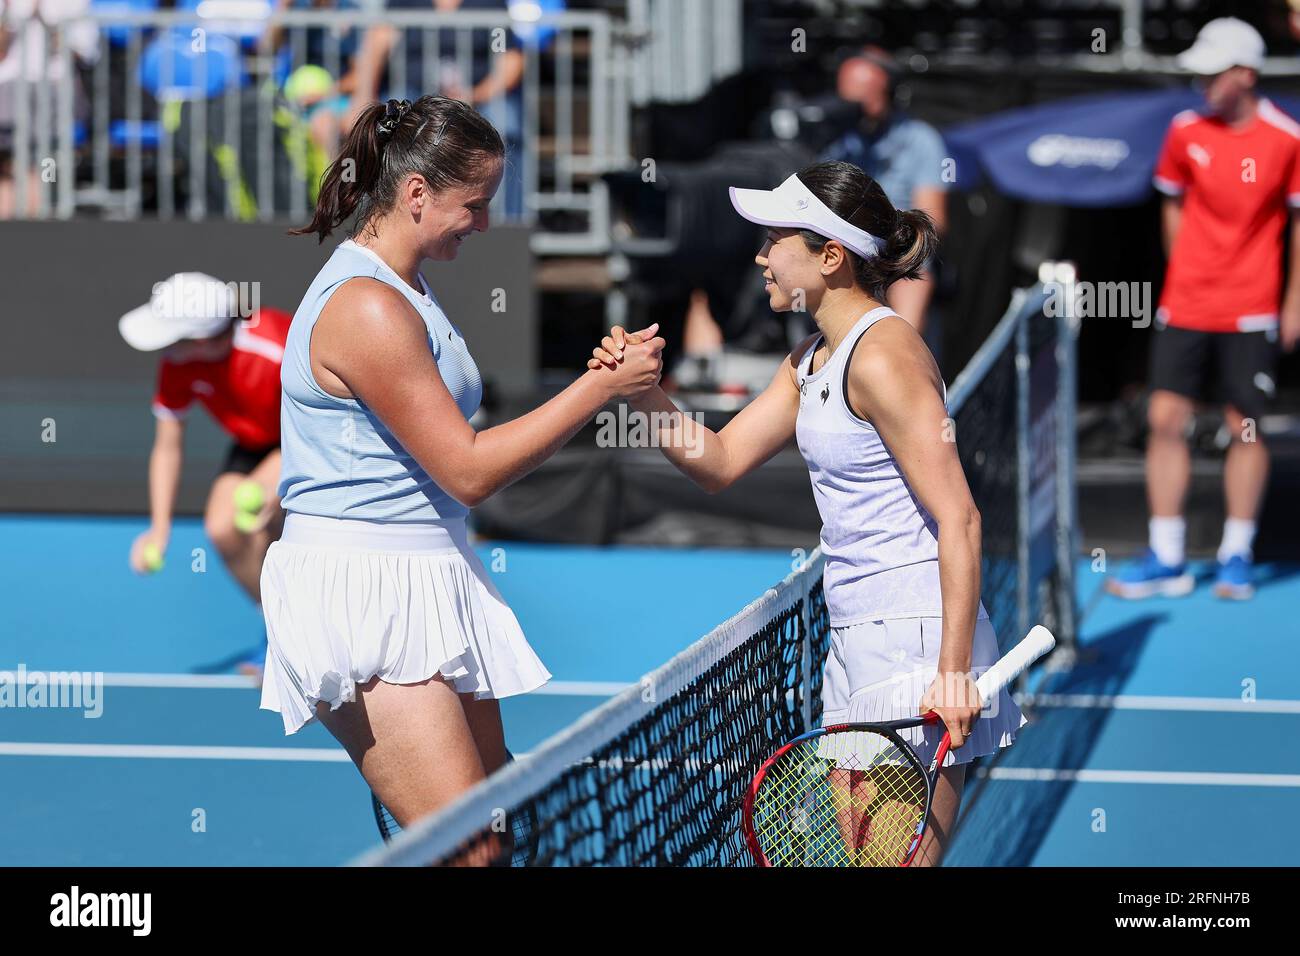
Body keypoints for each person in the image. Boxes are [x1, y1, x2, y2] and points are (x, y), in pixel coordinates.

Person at [588, 161, 1024, 866]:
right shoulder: (809, 360)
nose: (760, 256)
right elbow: (721, 461)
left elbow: (960, 519)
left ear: (829, 256)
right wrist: (642, 398)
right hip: (856, 636)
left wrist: (950, 670)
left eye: (775, 240)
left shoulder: (884, 359)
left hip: (913, 642)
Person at [265, 96, 662, 832]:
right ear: (417, 194)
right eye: (474, 205)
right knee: (469, 845)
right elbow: (470, 470)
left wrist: (596, 380)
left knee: (496, 826)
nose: (482, 224)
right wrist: (601, 389)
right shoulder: (368, 308)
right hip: (365, 594)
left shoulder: (406, 288)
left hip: (430, 571)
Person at [1107, 18, 1300, 602]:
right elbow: (1173, 206)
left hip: (1253, 309)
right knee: (1166, 421)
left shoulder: (1286, 138)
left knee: (1245, 426)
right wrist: (1184, 272)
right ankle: (1168, 557)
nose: (1202, 81)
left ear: (1244, 75)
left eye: (1213, 72)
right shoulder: (1184, 130)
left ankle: (1236, 553)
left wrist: (1293, 304)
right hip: (1186, 305)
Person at [120, 273, 292, 679]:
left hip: (309, 434)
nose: (162, 348)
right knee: (221, 529)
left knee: (267, 527)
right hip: (254, 443)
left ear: (199, 340)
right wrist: (158, 529)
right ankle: (280, 629)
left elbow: (325, 422)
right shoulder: (178, 364)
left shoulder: (275, 348)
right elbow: (167, 445)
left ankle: (307, 637)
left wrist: (275, 482)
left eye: (169, 338)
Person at [343, 0, 526, 217]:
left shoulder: (489, 4)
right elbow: (377, 45)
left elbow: (510, 63)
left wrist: (474, 95)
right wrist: (361, 102)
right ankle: (384, 215)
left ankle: (505, 221)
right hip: (414, 98)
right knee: (386, 124)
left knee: (505, 120)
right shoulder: (404, 4)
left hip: (477, 101)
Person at [820, 47, 949, 337]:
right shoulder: (836, 143)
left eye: (865, 94)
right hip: (844, 249)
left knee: (915, 270)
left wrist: (885, 239)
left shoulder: (921, 140)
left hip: (897, 252)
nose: (856, 104)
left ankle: (903, 346)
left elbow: (935, 220)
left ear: (890, 94)